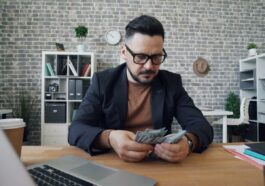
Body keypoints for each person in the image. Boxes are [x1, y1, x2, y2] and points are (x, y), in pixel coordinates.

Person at [68, 15, 213, 163]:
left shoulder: (171, 83)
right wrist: (110, 138)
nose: (149, 66)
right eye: (140, 56)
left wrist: (188, 142)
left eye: (156, 57)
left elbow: (202, 126)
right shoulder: (103, 82)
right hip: (114, 163)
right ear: (124, 52)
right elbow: (76, 130)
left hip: (160, 164)